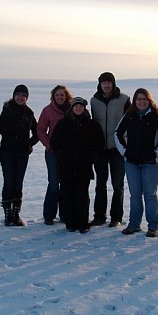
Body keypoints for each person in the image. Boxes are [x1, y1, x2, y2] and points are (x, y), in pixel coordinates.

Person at [115, 88, 158, 237]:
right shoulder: (129, 116)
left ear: (149, 101)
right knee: (135, 195)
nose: (141, 102)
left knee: (150, 195)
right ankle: (134, 224)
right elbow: (117, 134)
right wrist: (125, 152)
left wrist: (156, 153)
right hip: (131, 162)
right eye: (138, 99)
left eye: (144, 99)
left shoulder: (156, 116)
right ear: (135, 101)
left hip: (151, 163)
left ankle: (153, 226)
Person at [51, 97, 104, 233]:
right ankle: (70, 222)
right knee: (68, 194)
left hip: (84, 165)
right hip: (66, 166)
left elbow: (99, 143)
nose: (78, 108)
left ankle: (83, 223)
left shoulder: (92, 124)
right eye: (76, 106)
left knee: (82, 195)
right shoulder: (63, 123)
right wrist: (61, 155)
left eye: (81, 106)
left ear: (84, 108)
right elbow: (55, 142)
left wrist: (92, 156)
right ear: (72, 108)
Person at [89, 72, 131, 227]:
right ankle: (99, 216)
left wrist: (126, 143)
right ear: (100, 84)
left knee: (117, 184)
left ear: (113, 84)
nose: (106, 85)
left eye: (109, 82)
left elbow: (130, 121)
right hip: (100, 149)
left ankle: (116, 217)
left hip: (117, 148)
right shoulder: (94, 100)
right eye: (104, 83)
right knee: (100, 184)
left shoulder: (124, 99)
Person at [0, 84, 39, 226]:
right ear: (14, 96)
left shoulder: (29, 112)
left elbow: (37, 132)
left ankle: (16, 214)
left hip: (22, 154)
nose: (20, 97)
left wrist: (29, 143)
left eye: (23, 95)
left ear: (27, 98)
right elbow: (2, 129)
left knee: (18, 183)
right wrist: (17, 135)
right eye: (18, 95)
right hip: (7, 152)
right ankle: (8, 214)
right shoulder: (7, 109)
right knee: (9, 182)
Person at [37, 85, 73, 225]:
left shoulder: (72, 109)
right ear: (53, 97)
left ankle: (65, 215)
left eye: (62, 95)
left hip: (68, 153)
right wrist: (48, 144)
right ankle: (49, 215)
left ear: (66, 96)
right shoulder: (47, 110)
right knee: (53, 183)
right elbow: (40, 129)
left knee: (66, 183)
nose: (60, 97)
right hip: (53, 153)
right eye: (57, 95)